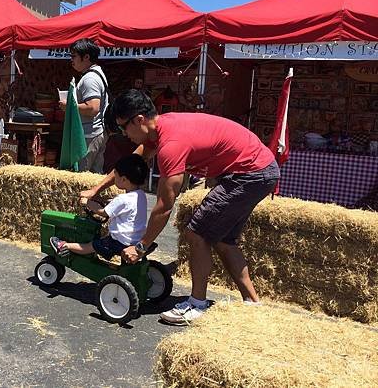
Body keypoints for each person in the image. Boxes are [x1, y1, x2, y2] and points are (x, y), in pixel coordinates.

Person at [80, 89, 280, 325]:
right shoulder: (160, 128)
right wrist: (96, 189)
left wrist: (140, 247)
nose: (124, 134)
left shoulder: (170, 146)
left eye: (124, 127)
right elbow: (130, 164)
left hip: (249, 173)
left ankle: (197, 305)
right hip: (259, 169)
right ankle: (252, 303)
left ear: (139, 120)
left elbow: (164, 206)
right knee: (224, 239)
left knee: (197, 233)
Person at [50, 154, 148, 260]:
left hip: (120, 242)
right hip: (136, 239)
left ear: (123, 179)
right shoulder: (141, 195)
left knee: (92, 246)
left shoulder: (122, 199)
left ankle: (64, 246)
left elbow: (102, 212)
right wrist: (100, 200)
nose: (114, 177)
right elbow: (120, 207)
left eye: (115, 175)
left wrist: (87, 203)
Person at [59, 38, 108, 173]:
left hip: (88, 136)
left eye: (74, 56)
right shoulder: (96, 74)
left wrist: (70, 106)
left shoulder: (89, 79)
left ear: (86, 57)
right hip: (96, 133)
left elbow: (93, 108)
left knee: (81, 177)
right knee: (93, 178)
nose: (71, 60)